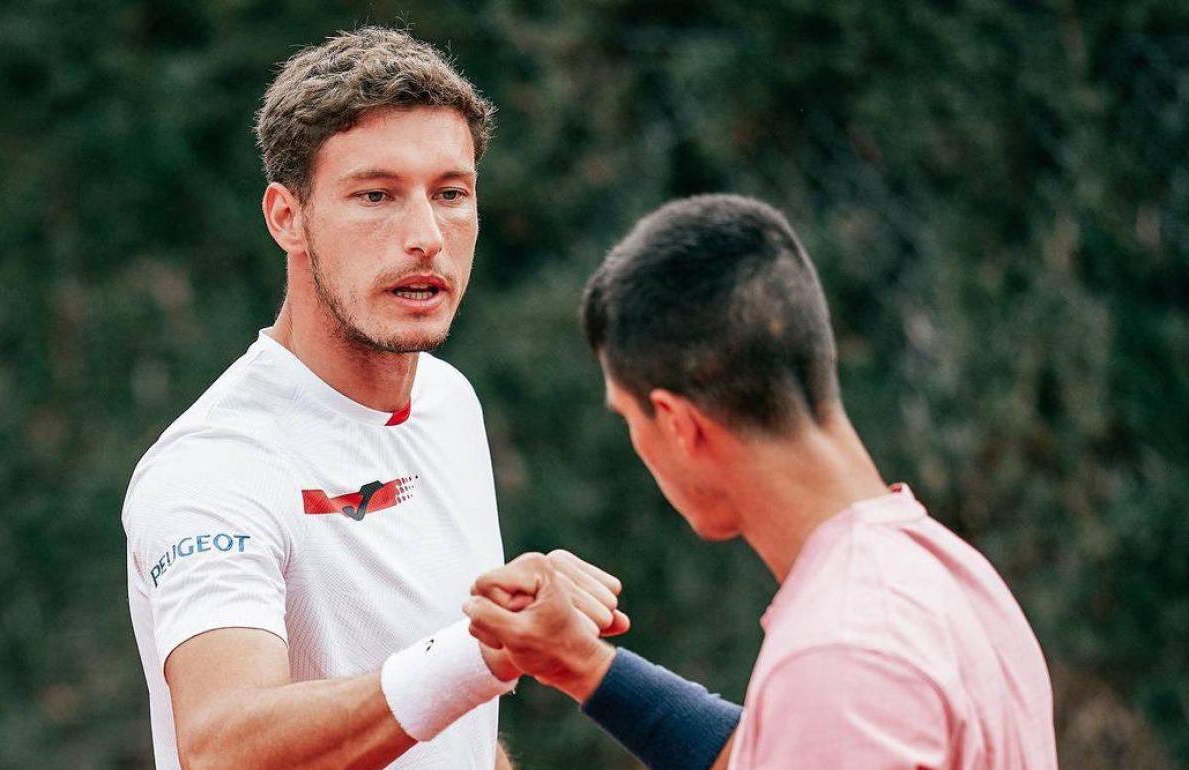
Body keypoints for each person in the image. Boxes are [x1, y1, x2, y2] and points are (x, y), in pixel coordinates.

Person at [122, 28, 627, 770]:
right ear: (285, 217)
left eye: (451, 193)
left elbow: (451, 731)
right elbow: (222, 744)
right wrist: (484, 650)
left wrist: (488, 662)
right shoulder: (211, 469)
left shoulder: (448, 401)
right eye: (376, 196)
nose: (426, 236)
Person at [464, 194, 1059, 770]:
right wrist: (578, 661)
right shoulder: (948, 576)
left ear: (677, 424)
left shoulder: (842, 655)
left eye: (628, 417)